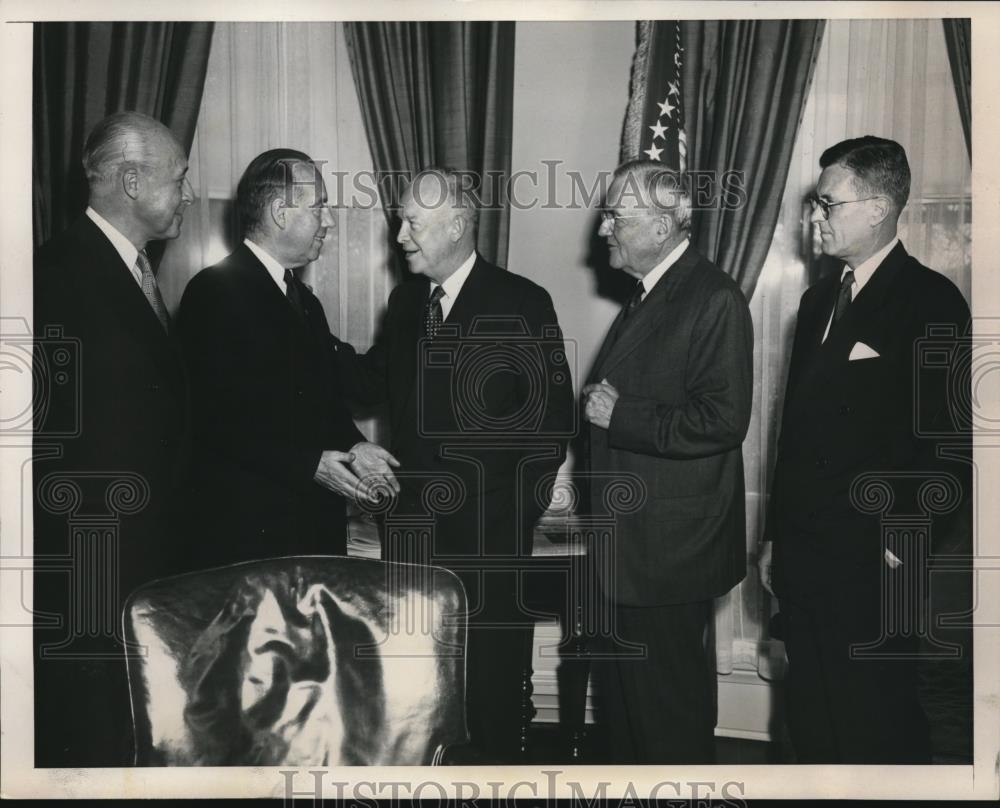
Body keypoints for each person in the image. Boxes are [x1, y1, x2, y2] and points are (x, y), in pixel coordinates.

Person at [333, 167, 575, 762]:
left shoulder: (521, 301)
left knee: (488, 695)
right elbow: (370, 383)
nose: (400, 236)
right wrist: (304, 330)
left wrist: (513, 516)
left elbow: (551, 425)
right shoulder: (408, 300)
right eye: (399, 221)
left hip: (489, 545)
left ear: (459, 224)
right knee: (418, 694)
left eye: (413, 222)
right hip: (412, 540)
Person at [759, 136, 972, 763]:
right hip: (806, 562)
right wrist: (775, 536)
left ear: (878, 208)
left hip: (876, 567)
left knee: (877, 730)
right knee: (812, 729)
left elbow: (950, 448)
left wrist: (900, 546)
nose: (816, 217)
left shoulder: (932, 301)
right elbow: (792, 436)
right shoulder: (816, 300)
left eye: (829, 203)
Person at [32, 111, 194, 765]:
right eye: (178, 179)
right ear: (131, 181)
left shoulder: (127, 269)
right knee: (94, 742)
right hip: (94, 572)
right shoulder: (59, 275)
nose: (184, 193)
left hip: (136, 563)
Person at [582, 158, 753, 764]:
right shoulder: (652, 293)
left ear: (662, 227)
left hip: (667, 553)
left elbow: (724, 419)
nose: (604, 230)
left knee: (668, 720)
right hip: (635, 547)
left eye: (616, 217)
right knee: (634, 718)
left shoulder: (712, 297)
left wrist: (619, 416)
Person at [176, 150, 398, 569]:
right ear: (280, 212)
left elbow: (320, 401)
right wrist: (309, 464)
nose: (329, 222)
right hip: (251, 541)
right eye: (319, 207)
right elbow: (211, 419)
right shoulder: (214, 292)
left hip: (309, 532)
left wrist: (354, 445)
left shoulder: (303, 300)